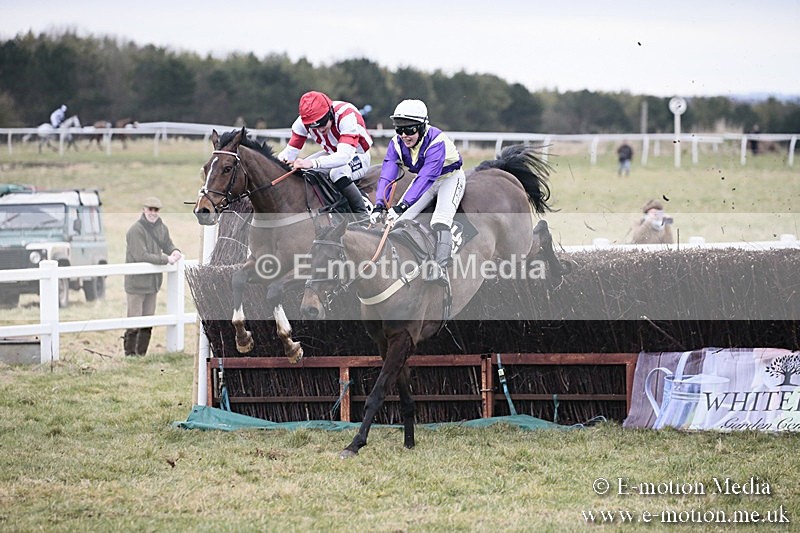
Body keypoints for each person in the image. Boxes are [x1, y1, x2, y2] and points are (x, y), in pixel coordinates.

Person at [370, 99, 466, 284]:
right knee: (396, 221)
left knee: (440, 220)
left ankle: (439, 267)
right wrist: (379, 205)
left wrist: (402, 205)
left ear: (422, 127)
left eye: (410, 129)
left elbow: (426, 178)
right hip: (426, 179)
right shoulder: (396, 144)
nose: (404, 135)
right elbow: (387, 175)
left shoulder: (436, 141)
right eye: (399, 129)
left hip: (449, 178)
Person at [277, 91, 372, 217]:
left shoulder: (346, 115)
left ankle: (363, 215)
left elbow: (344, 156)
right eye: (313, 126)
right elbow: (288, 155)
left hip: (357, 154)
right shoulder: (302, 123)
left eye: (322, 122)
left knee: (337, 173)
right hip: (332, 153)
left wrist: (311, 163)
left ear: (330, 112)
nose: (320, 129)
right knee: (303, 173)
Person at [123, 196, 183, 356]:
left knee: (148, 321)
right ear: (144, 209)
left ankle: (141, 355)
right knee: (134, 321)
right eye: (150, 209)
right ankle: (130, 355)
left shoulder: (161, 227)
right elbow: (140, 255)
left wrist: (175, 250)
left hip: (153, 284)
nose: (153, 213)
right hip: (136, 284)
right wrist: (166, 259)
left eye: (156, 210)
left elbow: (167, 244)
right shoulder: (135, 230)